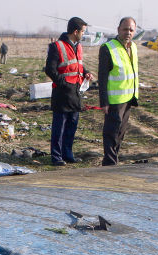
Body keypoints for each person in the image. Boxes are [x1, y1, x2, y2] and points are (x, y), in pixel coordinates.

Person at [44, 17, 94, 166]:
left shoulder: (78, 46)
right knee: (59, 127)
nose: (84, 34)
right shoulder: (57, 46)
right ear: (76, 31)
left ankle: (68, 154)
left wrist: (86, 72)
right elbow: (50, 70)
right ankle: (56, 156)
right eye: (83, 31)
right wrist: (64, 84)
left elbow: (78, 65)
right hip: (62, 93)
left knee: (72, 125)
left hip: (75, 92)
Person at [98, 17, 140, 166]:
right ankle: (109, 163)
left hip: (128, 97)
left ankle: (113, 159)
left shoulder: (133, 47)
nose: (128, 32)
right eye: (125, 29)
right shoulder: (107, 48)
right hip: (114, 100)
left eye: (131, 30)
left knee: (120, 133)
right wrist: (104, 102)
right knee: (111, 132)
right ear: (118, 30)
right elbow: (102, 77)